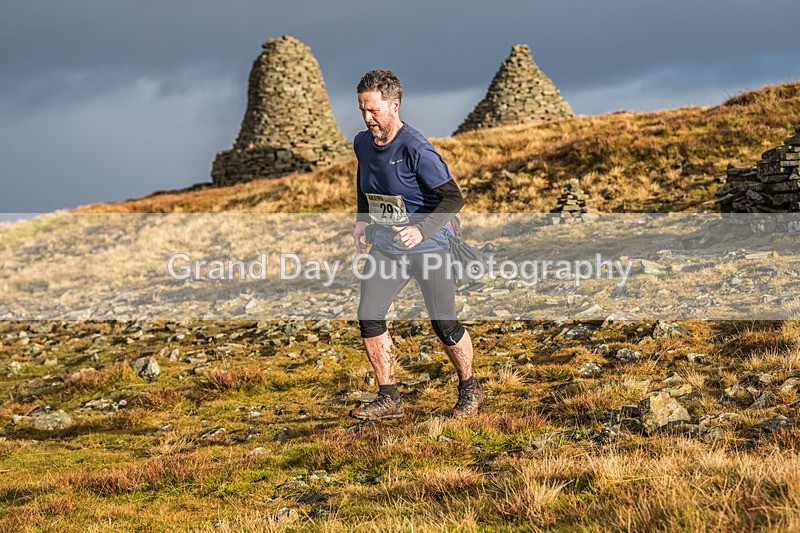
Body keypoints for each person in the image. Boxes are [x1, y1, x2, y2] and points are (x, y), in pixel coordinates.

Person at [349, 69, 484, 421]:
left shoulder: (415, 148)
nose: (367, 118)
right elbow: (367, 182)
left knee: (444, 324)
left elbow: (453, 198)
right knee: (369, 314)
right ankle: (389, 397)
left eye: (374, 111)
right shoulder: (362, 143)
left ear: (394, 105)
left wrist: (422, 231)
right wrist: (363, 217)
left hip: (429, 246)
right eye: (362, 109)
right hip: (388, 247)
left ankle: (471, 388)